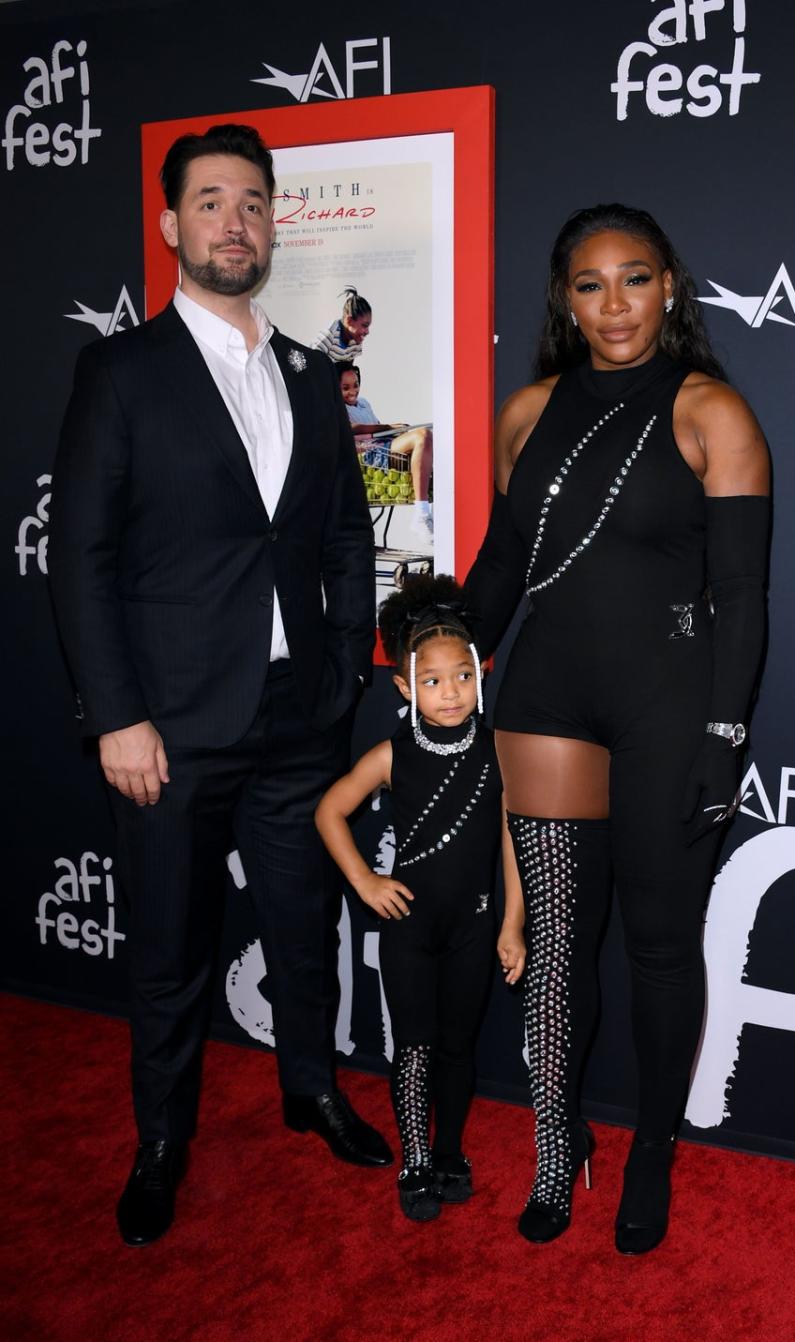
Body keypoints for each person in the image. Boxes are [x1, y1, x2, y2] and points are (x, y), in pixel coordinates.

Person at [47, 123, 393, 1249]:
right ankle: (162, 1142)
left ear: (272, 222)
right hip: (171, 729)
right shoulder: (122, 370)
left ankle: (313, 1089)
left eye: (251, 202)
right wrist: (120, 716)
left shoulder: (307, 369)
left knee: (306, 924)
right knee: (169, 949)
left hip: (301, 718)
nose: (233, 222)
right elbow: (82, 557)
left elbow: (344, 531)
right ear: (170, 226)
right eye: (209, 202)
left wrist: (345, 661)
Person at [464, 204, 770, 1254]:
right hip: (546, 701)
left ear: (669, 286)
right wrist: (442, 644)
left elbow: (741, 591)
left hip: (667, 711)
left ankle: (649, 1148)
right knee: (555, 947)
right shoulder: (526, 412)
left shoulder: (710, 411)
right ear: (564, 299)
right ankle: (560, 1145)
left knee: (653, 944)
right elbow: (502, 571)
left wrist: (724, 734)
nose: (614, 304)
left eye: (633, 279)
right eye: (590, 285)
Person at [316, 575, 523, 1222]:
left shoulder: (499, 754)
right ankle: (414, 1159)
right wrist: (365, 881)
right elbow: (329, 811)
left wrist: (512, 925)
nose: (450, 691)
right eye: (431, 681)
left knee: (458, 1047)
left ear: (479, 675)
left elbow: (513, 844)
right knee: (414, 1047)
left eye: (462, 676)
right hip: (407, 928)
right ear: (404, 688)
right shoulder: (389, 756)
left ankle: (451, 1150)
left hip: (473, 925)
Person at [338, 362, 434, 543]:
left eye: (356, 385)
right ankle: (421, 513)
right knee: (422, 435)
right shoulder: (335, 407)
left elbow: (378, 431)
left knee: (429, 440)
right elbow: (350, 428)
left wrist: (394, 431)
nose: (353, 391)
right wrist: (388, 427)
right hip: (370, 457)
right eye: (345, 388)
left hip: (382, 448)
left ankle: (433, 510)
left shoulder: (364, 404)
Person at [313, 285, 372, 363]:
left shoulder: (356, 340)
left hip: (337, 371)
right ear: (349, 321)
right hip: (319, 370)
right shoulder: (329, 336)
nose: (367, 332)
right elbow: (311, 363)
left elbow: (349, 368)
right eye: (364, 326)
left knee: (350, 374)